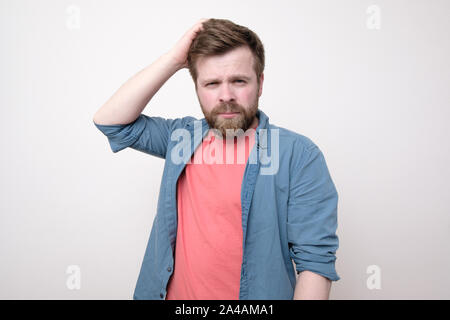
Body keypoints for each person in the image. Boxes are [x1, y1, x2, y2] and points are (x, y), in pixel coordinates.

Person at [93, 18, 340, 300]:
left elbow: (315, 264)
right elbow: (111, 122)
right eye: (211, 83)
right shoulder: (179, 138)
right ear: (197, 88)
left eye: (239, 81)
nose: (226, 96)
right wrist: (173, 60)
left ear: (260, 83)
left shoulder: (299, 155)